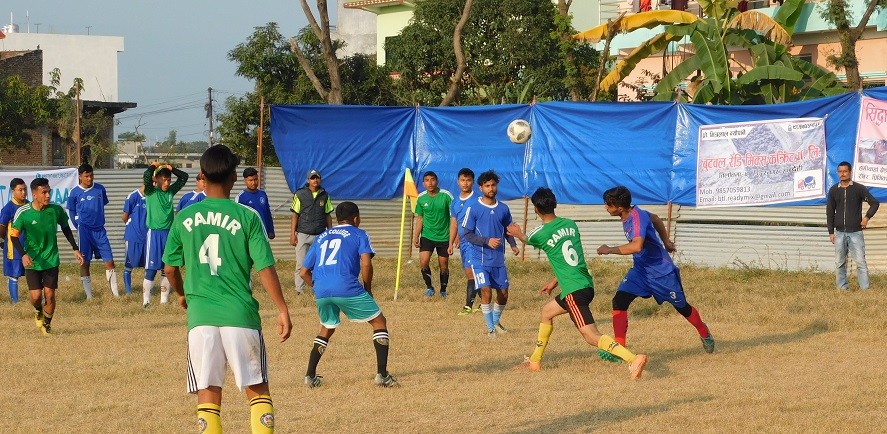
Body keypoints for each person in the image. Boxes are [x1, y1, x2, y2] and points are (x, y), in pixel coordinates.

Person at [164, 144, 292, 434]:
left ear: (201, 176)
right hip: (240, 315)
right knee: (257, 391)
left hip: (201, 319)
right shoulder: (247, 217)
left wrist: (183, 293)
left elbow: (170, 269)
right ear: (234, 177)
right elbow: (264, 268)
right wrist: (282, 309)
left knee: (208, 394)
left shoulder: (184, 218)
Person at [507, 187, 648, 379]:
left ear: (535, 209)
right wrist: (554, 281)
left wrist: (517, 232)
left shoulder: (539, 233)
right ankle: (534, 361)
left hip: (574, 290)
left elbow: (526, 238)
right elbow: (566, 258)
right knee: (547, 312)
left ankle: (633, 359)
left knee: (591, 336)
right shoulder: (571, 225)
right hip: (584, 285)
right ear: (555, 204)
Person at [597, 186, 714, 354]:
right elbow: (657, 219)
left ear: (619, 207)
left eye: (608, 205)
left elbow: (637, 246)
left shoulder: (638, 217)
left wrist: (609, 249)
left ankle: (704, 332)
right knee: (619, 301)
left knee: (682, 308)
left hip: (661, 273)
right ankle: (619, 349)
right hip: (640, 272)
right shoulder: (631, 214)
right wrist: (666, 241)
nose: (605, 207)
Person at [300, 201, 397, 388]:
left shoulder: (322, 236)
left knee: (326, 328)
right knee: (379, 322)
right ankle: (382, 375)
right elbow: (366, 264)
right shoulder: (359, 234)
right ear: (356, 218)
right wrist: (368, 288)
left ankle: (310, 376)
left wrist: (318, 286)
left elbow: (303, 271)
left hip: (321, 289)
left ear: (337, 219)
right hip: (346, 286)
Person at [10, 178, 85, 335]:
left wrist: (75, 248)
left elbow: (66, 228)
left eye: (49, 191)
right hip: (33, 260)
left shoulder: (56, 210)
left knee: (50, 295)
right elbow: (14, 236)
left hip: (51, 259)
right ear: (35, 194)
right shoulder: (24, 212)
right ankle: (37, 310)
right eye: (44, 192)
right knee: (36, 296)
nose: (48, 195)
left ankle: (47, 323)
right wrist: (23, 255)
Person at [460, 170, 520, 337]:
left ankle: (495, 321)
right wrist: (487, 241)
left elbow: (508, 229)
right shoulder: (473, 208)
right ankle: (490, 330)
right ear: (480, 188)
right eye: (487, 185)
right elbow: (467, 234)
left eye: (493, 185)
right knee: (486, 290)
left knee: (503, 294)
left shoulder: (503, 208)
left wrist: (514, 245)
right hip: (479, 259)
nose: (491, 188)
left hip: (498, 260)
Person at [68, 163, 120, 298]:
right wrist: (78, 224)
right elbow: (72, 212)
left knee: (109, 261)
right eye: (86, 176)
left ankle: (115, 295)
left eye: (91, 175)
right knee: (85, 263)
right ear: (80, 176)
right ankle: (89, 296)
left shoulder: (100, 189)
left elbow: (101, 205)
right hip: (84, 231)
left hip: (100, 231)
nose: (90, 179)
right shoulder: (74, 193)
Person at [827, 161, 880, 290]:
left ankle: (865, 289)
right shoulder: (834, 190)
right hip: (839, 233)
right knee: (839, 263)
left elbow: (874, 203)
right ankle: (842, 288)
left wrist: (866, 218)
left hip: (855, 232)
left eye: (845, 171)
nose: (842, 174)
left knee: (861, 262)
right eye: (840, 172)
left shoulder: (859, 188)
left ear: (850, 172)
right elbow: (830, 211)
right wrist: (831, 232)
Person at [142, 162, 188, 308]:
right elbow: (146, 176)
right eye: (164, 180)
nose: (167, 183)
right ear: (156, 180)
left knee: (167, 268)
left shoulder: (170, 192)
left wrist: (171, 168)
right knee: (150, 270)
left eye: (169, 180)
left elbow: (184, 177)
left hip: (169, 234)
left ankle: (164, 301)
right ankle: (146, 302)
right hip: (154, 234)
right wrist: (153, 166)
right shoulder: (150, 191)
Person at [289, 169, 332, 295]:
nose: (315, 180)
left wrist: (329, 233)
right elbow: (295, 215)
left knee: (319, 264)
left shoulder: (324, 195)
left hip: (320, 234)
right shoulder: (300, 194)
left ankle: (318, 288)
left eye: (317, 178)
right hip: (303, 233)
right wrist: (292, 234)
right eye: (312, 178)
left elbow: (327, 215)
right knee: (301, 263)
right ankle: (299, 289)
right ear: (308, 180)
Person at [413, 171, 453, 300]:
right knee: (423, 262)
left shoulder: (446, 196)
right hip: (427, 236)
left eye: (432, 180)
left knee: (443, 265)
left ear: (437, 181)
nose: (430, 183)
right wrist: (416, 236)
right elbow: (420, 218)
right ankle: (429, 288)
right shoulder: (421, 198)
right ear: (423, 183)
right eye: (427, 180)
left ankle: (443, 290)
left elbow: (454, 218)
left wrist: (455, 235)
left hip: (444, 236)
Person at [448, 168, 480, 314]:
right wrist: (451, 242)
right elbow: (454, 223)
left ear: (473, 182)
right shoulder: (455, 202)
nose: (465, 183)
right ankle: (484, 303)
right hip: (464, 243)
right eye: (462, 180)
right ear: (458, 181)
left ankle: (468, 305)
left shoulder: (478, 200)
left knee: (472, 272)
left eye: (468, 180)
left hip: (475, 241)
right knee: (470, 272)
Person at [0, 178, 27, 303]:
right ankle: (15, 303)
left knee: (34, 273)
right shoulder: (8, 208)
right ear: (13, 191)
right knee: (14, 274)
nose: (23, 192)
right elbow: (1, 228)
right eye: (20, 190)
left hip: (29, 247)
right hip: (14, 248)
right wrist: (5, 241)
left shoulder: (29, 205)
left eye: (24, 189)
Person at [121, 186, 147, 295]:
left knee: (148, 265)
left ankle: (147, 290)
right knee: (129, 264)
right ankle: (128, 292)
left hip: (148, 237)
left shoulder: (153, 196)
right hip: (133, 237)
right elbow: (124, 217)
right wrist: (133, 226)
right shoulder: (133, 196)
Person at [237, 167, 276, 239]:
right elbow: (238, 218)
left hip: (263, 234)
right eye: (250, 180)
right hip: (250, 235)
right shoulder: (241, 197)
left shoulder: (263, 194)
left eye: (255, 179)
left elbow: (267, 213)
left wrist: (271, 230)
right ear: (245, 181)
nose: (253, 183)